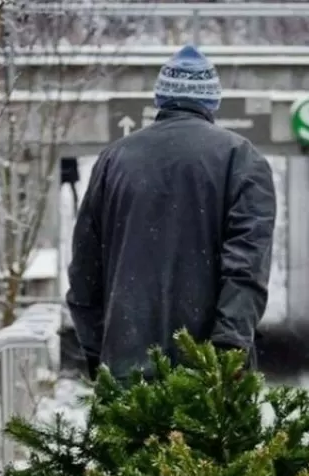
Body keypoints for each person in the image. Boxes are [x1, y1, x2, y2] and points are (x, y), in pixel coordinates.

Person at [65, 45, 277, 381]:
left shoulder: (113, 160)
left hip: (126, 366)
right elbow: (247, 267)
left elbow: (85, 269)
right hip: (211, 375)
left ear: (161, 99)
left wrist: (96, 348)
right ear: (212, 102)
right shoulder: (242, 159)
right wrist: (229, 346)